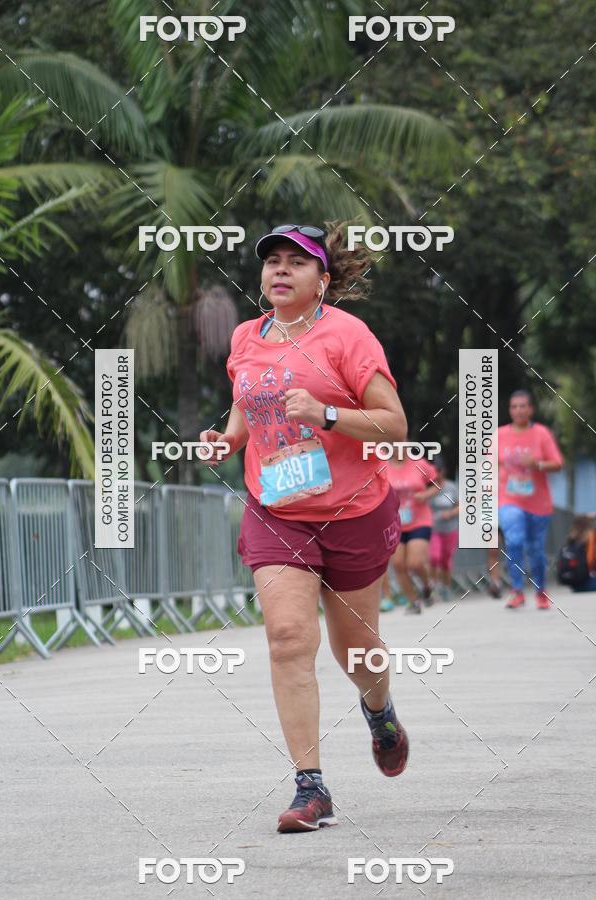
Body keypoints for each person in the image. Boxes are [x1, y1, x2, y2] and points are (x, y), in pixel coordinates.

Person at [200, 223, 409, 833]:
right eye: (272, 263)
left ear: (323, 279)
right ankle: (310, 787)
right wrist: (224, 440)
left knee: (357, 650)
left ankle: (379, 711)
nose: (280, 271)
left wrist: (328, 414)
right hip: (277, 511)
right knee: (289, 637)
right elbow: (244, 415)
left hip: (353, 511)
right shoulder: (246, 337)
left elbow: (394, 424)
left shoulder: (348, 335)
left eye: (297, 262)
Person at [498, 390, 564, 610]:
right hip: (509, 499)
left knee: (536, 549)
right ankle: (516, 590)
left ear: (531, 409)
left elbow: (557, 464)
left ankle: (540, 591)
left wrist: (537, 464)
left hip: (538, 503)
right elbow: (488, 465)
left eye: (523, 406)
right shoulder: (498, 435)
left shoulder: (542, 434)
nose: (519, 410)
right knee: (514, 541)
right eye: (514, 406)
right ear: (510, 410)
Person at [385, 451, 441, 613]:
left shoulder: (419, 463)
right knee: (398, 565)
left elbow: (437, 484)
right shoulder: (382, 466)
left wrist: (426, 494)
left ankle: (426, 584)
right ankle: (413, 602)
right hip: (395, 523)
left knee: (415, 563)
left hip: (420, 520)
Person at [428, 459, 459, 601]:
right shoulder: (428, 488)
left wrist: (450, 513)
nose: (436, 474)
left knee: (446, 560)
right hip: (434, 529)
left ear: (443, 471)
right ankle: (432, 586)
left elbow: (461, 506)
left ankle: (445, 586)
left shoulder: (451, 487)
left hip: (450, 528)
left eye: (439, 471)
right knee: (434, 557)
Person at [557, 514, 596, 592]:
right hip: (588, 582)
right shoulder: (590, 536)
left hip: (574, 585)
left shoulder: (572, 537)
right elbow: (591, 560)